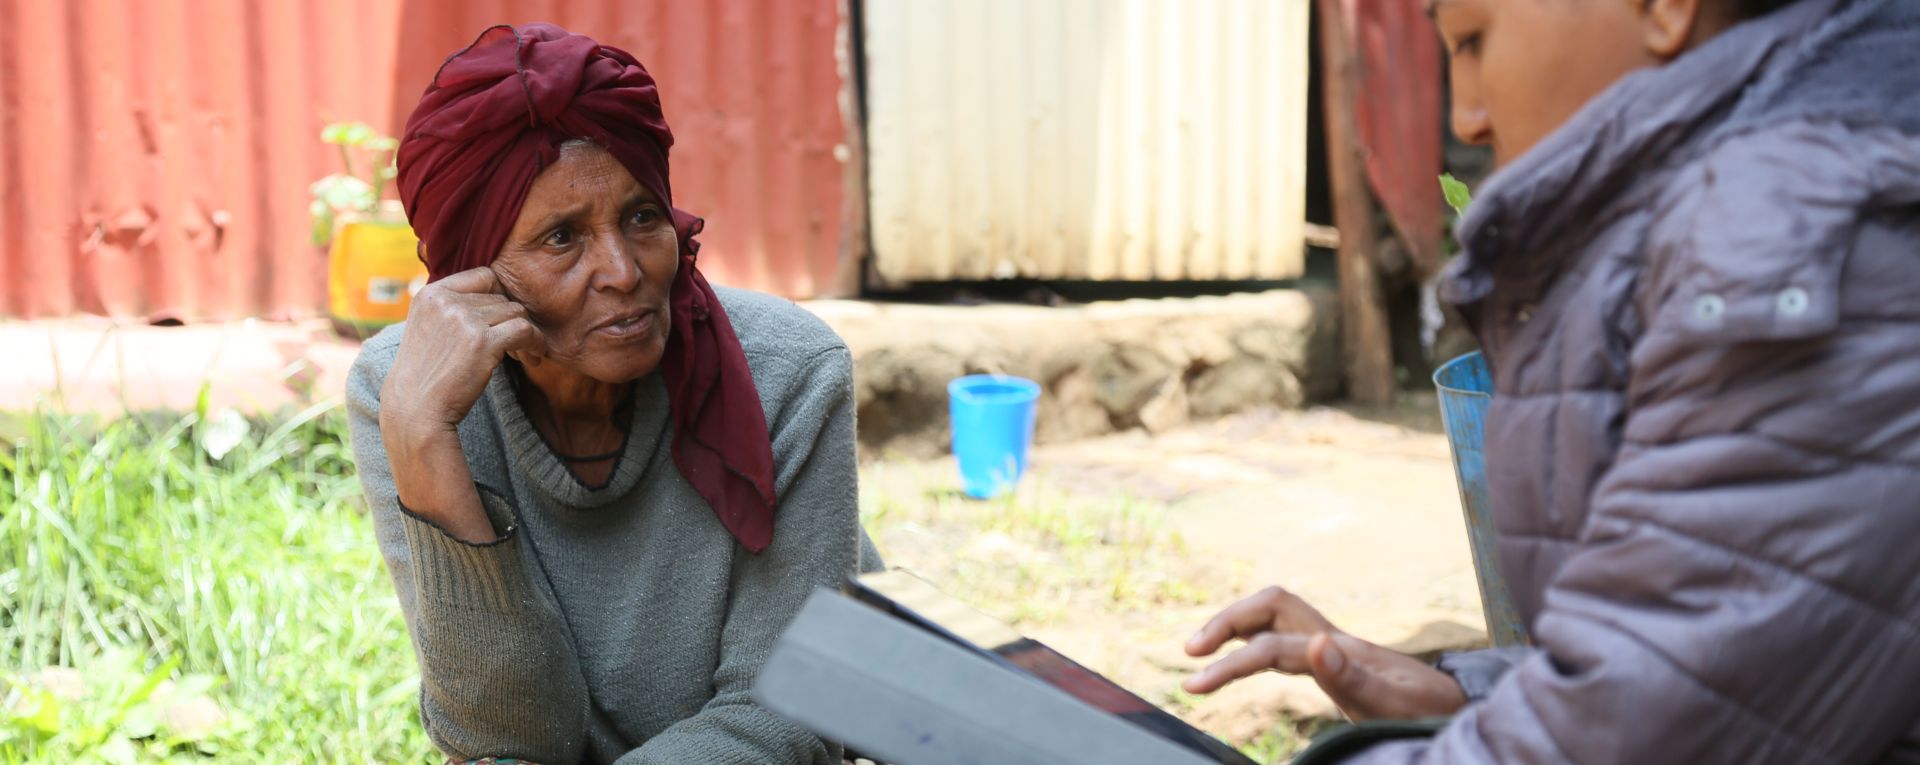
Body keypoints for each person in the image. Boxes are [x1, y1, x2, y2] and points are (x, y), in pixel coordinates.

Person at [1182, 0, 1920, 760]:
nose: (1467, 117)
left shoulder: (1800, 239)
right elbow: (1733, 666)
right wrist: (1466, 693)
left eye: (1473, 40)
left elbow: (1641, 735)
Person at [346, 23, 880, 765]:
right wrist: (421, 442)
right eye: (561, 238)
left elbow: (788, 708)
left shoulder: (789, 370)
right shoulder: (406, 392)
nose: (624, 271)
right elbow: (508, 740)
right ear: (471, 279)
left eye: (641, 217)